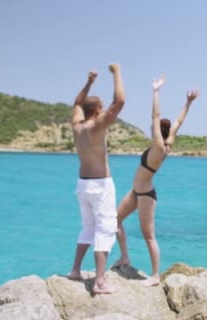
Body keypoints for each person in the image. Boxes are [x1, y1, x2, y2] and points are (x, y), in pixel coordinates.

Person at [111, 74, 199, 286]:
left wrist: (156, 92)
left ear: (159, 131)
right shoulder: (167, 141)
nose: (152, 128)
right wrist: (188, 103)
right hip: (135, 192)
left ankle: (155, 276)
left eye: (155, 128)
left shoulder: (160, 146)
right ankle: (125, 257)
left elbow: (155, 114)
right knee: (114, 220)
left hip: (146, 196)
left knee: (148, 236)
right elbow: (178, 121)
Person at [67, 64, 125, 294]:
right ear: (99, 109)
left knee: (88, 227)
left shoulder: (77, 126)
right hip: (100, 185)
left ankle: (75, 270)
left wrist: (89, 81)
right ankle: (100, 281)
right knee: (105, 229)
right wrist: (116, 72)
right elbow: (119, 101)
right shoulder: (97, 125)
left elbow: (76, 102)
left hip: (82, 184)